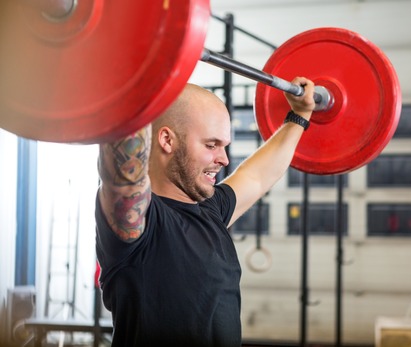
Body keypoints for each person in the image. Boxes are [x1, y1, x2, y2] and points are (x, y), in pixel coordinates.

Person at [95, 77, 315, 346]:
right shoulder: (141, 222)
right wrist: (139, 76)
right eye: (211, 145)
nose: (223, 159)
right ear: (166, 139)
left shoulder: (211, 209)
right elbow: (123, 176)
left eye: (224, 146)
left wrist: (300, 115)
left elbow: (257, 176)